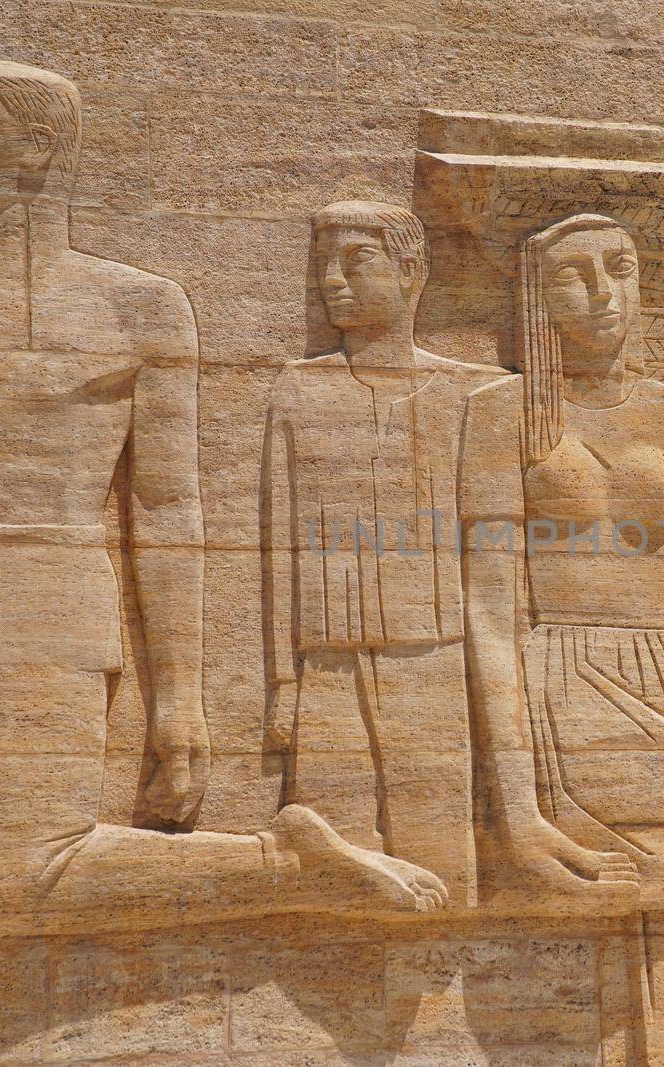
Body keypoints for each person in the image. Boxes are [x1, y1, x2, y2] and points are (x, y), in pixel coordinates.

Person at [0, 60, 445, 934]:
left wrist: (180, 699)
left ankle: (282, 862)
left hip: (56, 593)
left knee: (23, 880)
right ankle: (282, 861)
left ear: (45, 142)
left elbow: (168, 509)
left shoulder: (140, 306)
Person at [462, 213, 664, 1063]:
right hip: (556, 689)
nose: (602, 294)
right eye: (573, 275)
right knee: (581, 963)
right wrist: (515, 803)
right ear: (534, 296)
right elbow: (489, 611)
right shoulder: (499, 413)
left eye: (621, 267)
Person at [262, 200, 506, 908]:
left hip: (435, 653)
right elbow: (279, 542)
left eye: (355, 261)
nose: (333, 281)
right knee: (332, 863)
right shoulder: (299, 388)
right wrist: (283, 681)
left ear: (409, 270)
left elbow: (495, 557)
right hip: (326, 658)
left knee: (441, 859)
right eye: (323, 266)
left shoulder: (471, 391)